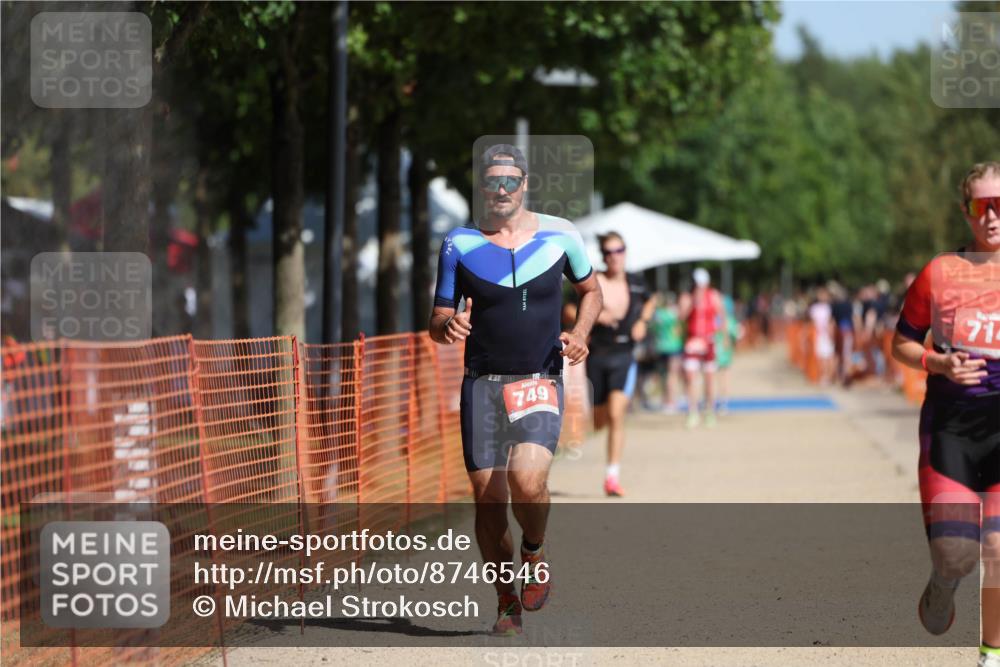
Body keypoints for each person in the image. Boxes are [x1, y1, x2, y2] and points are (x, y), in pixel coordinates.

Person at [429, 144, 602, 636]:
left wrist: (582, 334)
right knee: (488, 501)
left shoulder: (561, 235)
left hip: (538, 378)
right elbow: (437, 317)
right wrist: (447, 327)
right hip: (482, 383)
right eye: (493, 182)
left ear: (524, 184)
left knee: (528, 481)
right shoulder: (458, 244)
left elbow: (592, 290)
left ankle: (536, 548)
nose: (502, 190)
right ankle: (506, 599)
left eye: (511, 181)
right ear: (482, 188)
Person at [890, 161, 1000, 667]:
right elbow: (900, 345)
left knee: (998, 552)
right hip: (951, 432)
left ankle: (991, 656)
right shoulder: (939, 273)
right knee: (957, 555)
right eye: (983, 206)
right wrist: (938, 363)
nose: (994, 216)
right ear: (966, 212)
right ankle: (942, 582)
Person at [580, 232, 655, 497]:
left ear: (625, 252)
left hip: (625, 355)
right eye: (609, 252)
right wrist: (595, 315)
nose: (615, 256)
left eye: (619, 250)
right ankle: (604, 432)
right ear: (603, 255)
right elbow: (567, 309)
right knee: (600, 421)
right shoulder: (593, 282)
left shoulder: (636, 282)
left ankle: (612, 476)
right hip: (597, 355)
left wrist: (642, 322)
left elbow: (651, 300)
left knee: (616, 413)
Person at [679, 268, 723, 429]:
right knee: (691, 378)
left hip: (709, 341)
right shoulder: (687, 297)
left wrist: (723, 338)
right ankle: (692, 411)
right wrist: (692, 303)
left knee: (709, 378)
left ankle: (710, 411)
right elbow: (681, 317)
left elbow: (722, 316)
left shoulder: (714, 295)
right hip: (692, 342)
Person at [650, 291, 685, 413]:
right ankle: (671, 401)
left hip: (660, 347)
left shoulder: (657, 314)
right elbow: (679, 327)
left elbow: (653, 328)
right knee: (672, 376)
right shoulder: (673, 314)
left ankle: (665, 400)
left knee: (663, 376)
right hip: (673, 347)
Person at [713, 292, 741, 413]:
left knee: (716, 377)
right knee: (724, 376)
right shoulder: (731, 321)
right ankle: (723, 401)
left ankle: (717, 400)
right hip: (725, 353)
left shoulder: (715, 320)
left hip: (716, 352)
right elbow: (736, 336)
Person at [808, 286, 836, 386]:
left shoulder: (830, 307)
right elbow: (812, 323)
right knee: (822, 357)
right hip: (819, 336)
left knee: (829, 357)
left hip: (827, 335)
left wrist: (831, 334)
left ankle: (829, 376)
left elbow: (831, 322)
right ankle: (823, 376)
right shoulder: (814, 308)